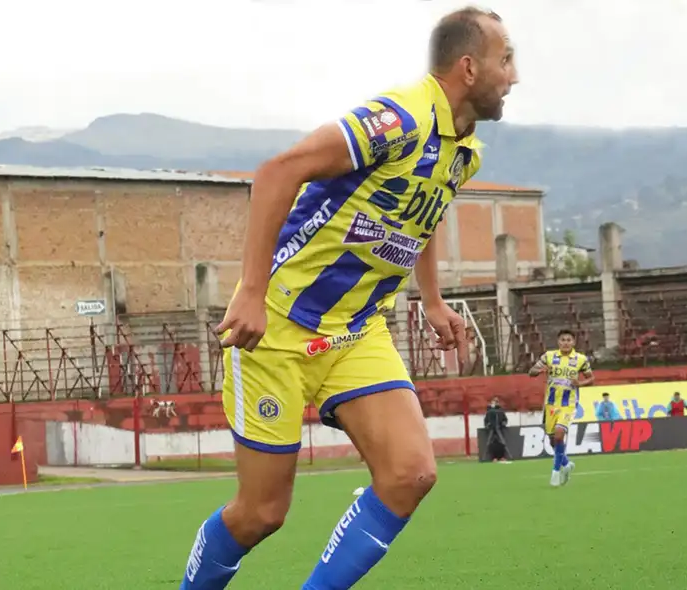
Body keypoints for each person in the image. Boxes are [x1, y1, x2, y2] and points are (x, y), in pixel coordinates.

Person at [178, 7, 518, 590]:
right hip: (277, 323)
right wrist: (253, 291)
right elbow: (277, 173)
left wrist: (432, 300)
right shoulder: (398, 118)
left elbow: (424, 211)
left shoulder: (465, 151)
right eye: (506, 60)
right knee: (262, 513)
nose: (514, 76)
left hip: (356, 330)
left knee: (410, 473)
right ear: (468, 67)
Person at [528, 329, 594, 486]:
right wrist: (541, 370)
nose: (566, 342)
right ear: (558, 342)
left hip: (568, 405)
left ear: (574, 342)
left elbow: (591, 378)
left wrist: (580, 383)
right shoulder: (549, 356)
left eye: (569, 340)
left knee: (559, 435)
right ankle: (566, 464)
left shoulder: (580, 359)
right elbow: (531, 372)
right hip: (550, 404)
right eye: (563, 340)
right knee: (553, 441)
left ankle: (555, 473)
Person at [483, 396, 510, 461]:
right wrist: (488, 426)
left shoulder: (500, 411)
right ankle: (493, 457)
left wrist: (503, 424)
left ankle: (502, 457)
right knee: (491, 443)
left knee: (502, 443)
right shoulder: (489, 412)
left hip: (499, 428)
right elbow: (486, 420)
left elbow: (505, 419)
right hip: (492, 429)